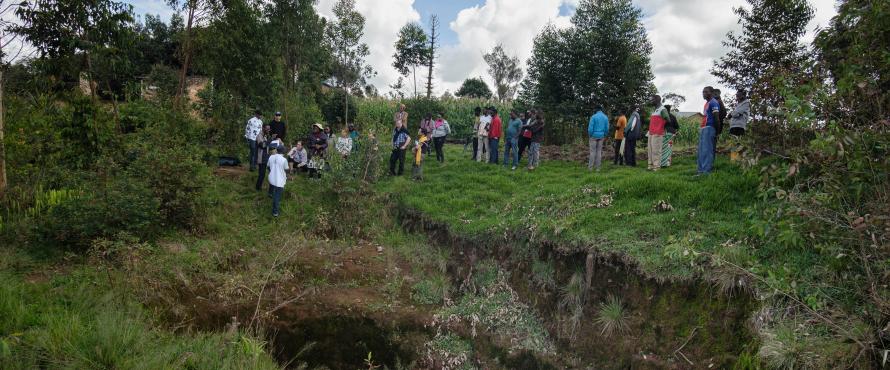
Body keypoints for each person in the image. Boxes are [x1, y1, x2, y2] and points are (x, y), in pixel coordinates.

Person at [697, 86, 721, 175]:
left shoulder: (713, 103)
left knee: (707, 151)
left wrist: (717, 132)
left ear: (711, 92)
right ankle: (700, 171)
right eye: (703, 92)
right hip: (703, 128)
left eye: (706, 92)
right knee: (701, 151)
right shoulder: (707, 103)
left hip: (710, 128)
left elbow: (716, 118)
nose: (703, 94)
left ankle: (706, 172)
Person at [647, 95, 669, 171]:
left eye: (652, 100)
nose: (651, 101)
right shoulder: (654, 110)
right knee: (650, 150)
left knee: (656, 151)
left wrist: (660, 126)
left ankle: (656, 167)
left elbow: (668, 120)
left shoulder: (662, 109)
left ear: (657, 100)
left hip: (657, 133)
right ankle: (650, 166)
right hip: (651, 132)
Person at [267, 146, 288, 218]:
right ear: (283, 152)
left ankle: (270, 194)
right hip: (280, 180)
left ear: (277, 150)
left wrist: (272, 172)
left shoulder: (271, 157)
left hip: (271, 178)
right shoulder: (284, 160)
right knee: (277, 196)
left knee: (272, 186)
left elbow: (268, 167)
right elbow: (286, 169)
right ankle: (275, 212)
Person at [587, 105, 609, 171]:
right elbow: (607, 128)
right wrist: (604, 134)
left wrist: (590, 135)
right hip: (601, 136)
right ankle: (598, 168)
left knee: (592, 152)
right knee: (599, 152)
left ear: (596, 110)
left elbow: (590, 129)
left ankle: (590, 168)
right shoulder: (605, 117)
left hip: (593, 136)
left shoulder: (593, 117)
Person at [255, 124, 271, 191]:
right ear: (263, 128)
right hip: (261, 157)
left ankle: (260, 187)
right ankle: (258, 188)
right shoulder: (259, 136)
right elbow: (263, 145)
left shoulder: (265, 136)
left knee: (263, 174)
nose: (268, 130)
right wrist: (270, 140)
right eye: (267, 129)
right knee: (261, 174)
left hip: (266, 156)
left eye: (269, 129)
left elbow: (267, 146)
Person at [713, 88, 728, 155]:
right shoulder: (718, 101)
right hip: (719, 122)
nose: (715, 94)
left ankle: (713, 151)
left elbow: (724, 113)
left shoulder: (717, 101)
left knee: (714, 137)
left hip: (717, 122)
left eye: (716, 93)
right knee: (715, 137)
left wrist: (718, 119)